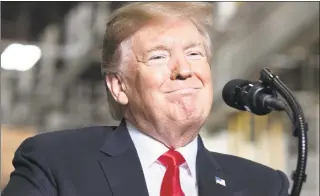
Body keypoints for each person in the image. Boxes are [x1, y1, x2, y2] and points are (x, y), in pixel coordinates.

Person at [2, 2, 289, 196]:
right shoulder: (55, 164)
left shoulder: (264, 186)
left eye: (194, 54)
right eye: (159, 56)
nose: (185, 70)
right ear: (119, 86)